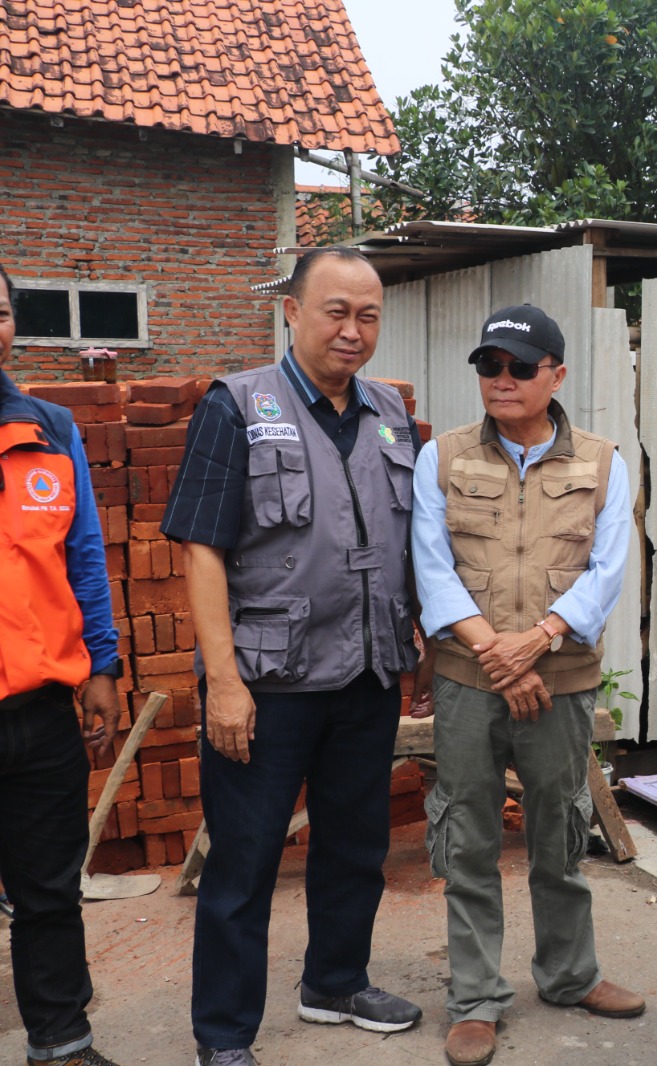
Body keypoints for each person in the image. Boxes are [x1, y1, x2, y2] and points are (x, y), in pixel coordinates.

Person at [162, 247, 425, 1066]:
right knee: (244, 864)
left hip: (368, 673)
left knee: (355, 846)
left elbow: (408, 539)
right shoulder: (237, 405)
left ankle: (336, 981)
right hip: (268, 685)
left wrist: (411, 642)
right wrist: (225, 684)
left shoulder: (389, 412)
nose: (352, 331)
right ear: (292, 312)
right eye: (336, 311)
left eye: (368, 315)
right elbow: (202, 551)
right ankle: (225, 1034)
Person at [412, 304, 643, 1066]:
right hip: (468, 678)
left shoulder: (606, 462)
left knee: (560, 829)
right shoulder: (441, 458)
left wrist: (536, 643)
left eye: (519, 367)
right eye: (489, 366)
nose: (502, 381)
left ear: (557, 375)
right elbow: (431, 568)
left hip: (561, 677)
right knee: (468, 833)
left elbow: (607, 573)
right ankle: (475, 999)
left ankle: (571, 975)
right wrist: (496, 657)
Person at [0, 264, 125, 1066]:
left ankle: (62, 1041)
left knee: (48, 889)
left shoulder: (50, 429)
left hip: (40, 710)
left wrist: (104, 667)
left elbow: (84, 557)